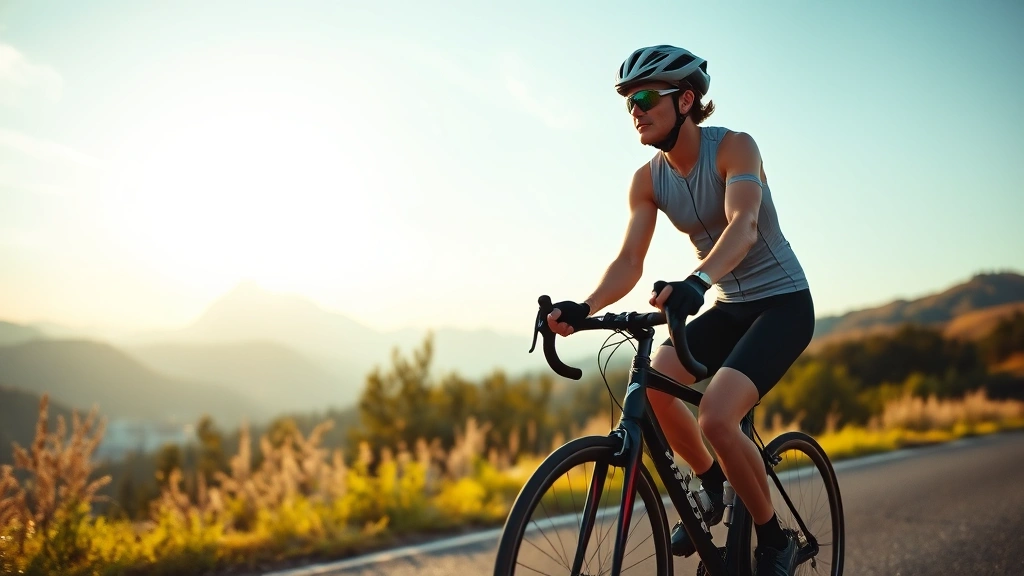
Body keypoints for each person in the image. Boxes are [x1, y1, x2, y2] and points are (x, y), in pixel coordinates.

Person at [545, 45, 815, 576]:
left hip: (783, 304)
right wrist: (585, 306)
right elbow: (629, 260)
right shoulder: (648, 179)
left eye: (646, 98)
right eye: (629, 103)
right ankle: (712, 483)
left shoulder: (735, 148)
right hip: (729, 304)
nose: (635, 111)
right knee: (653, 387)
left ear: (686, 100)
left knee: (716, 415)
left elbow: (744, 224)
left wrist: (697, 281)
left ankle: (773, 539)